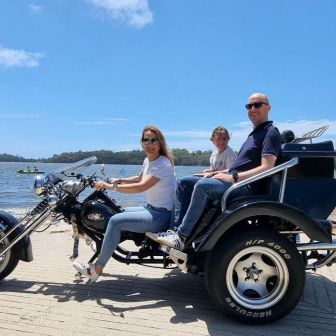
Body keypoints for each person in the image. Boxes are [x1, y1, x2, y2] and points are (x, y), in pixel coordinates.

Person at [153, 92, 282, 251]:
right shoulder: (253, 135)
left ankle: (182, 236)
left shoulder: (271, 132)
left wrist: (232, 177)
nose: (252, 109)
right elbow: (239, 166)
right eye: (249, 106)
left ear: (268, 107)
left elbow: (267, 167)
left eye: (257, 105)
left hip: (245, 185)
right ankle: (173, 232)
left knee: (203, 186)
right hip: (234, 179)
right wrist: (216, 173)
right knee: (183, 183)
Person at [73, 125, 176, 281]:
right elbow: (139, 178)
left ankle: (97, 269)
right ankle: (108, 244)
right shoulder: (148, 161)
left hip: (161, 216)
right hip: (151, 209)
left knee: (115, 221)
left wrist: (110, 186)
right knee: (116, 213)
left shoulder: (163, 163)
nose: (150, 143)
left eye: (153, 140)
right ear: (141, 143)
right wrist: (118, 180)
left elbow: (141, 187)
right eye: (146, 140)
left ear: (160, 142)